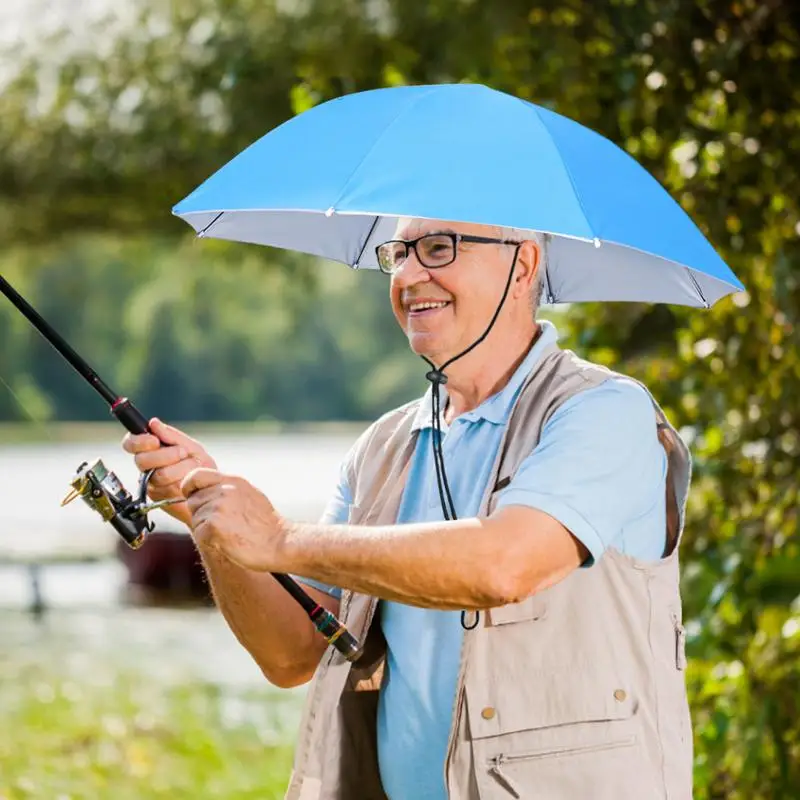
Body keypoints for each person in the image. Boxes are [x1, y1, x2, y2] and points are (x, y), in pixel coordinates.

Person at [122, 217, 693, 800]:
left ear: (522, 266)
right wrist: (211, 520)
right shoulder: (381, 448)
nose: (409, 275)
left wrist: (278, 539)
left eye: (439, 248)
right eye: (398, 252)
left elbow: (504, 565)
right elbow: (290, 654)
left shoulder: (604, 412)